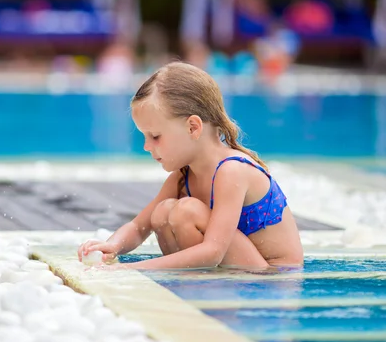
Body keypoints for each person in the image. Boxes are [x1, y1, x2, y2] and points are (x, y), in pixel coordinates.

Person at [78, 62, 304, 270]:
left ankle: (195, 280)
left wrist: (129, 269)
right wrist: (112, 246)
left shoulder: (231, 170)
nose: (147, 146)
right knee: (163, 212)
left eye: (155, 136)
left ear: (193, 127)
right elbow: (139, 227)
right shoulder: (183, 175)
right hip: (240, 268)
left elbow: (212, 252)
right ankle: (191, 281)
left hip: (272, 276)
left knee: (186, 212)